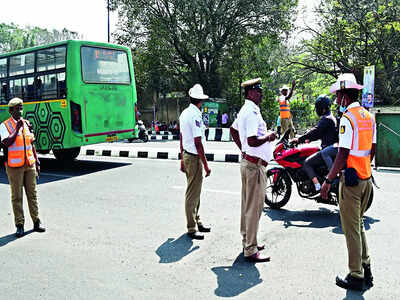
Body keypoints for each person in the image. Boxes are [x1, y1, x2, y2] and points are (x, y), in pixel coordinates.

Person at [321, 73, 376, 291]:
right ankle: (366, 268)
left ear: (344, 96)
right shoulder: (368, 116)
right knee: (358, 225)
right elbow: (371, 151)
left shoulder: (348, 118)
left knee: (351, 230)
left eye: (337, 97)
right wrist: (363, 168)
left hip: (351, 184)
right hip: (366, 180)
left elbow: (342, 154)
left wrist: (328, 181)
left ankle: (356, 276)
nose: (336, 101)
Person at [230, 78, 276, 262]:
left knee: (247, 206)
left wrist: (243, 149)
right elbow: (252, 140)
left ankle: (248, 240)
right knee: (254, 208)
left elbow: (233, 131)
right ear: (250, 93)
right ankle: (250, 248)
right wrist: (268, 137)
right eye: (258, 90)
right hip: (254, 166)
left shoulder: (247, 110)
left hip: (250, 163)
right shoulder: (250, 112)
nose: (261, 93)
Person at [0, 98, 45, 238]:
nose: (20, 111)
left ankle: (36, 222)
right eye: (17, 108)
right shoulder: (4, 125)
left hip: (29, 164)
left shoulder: (26, 124)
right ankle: (19, 225)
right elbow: (6, 142)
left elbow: (31, 144)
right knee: (17, 196)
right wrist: (17, 127)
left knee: (33, 194)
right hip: (14, 167)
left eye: (21, 108)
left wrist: (36, 161)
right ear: (10, 110)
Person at [179, 84, 211, 240]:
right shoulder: (195, 115)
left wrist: (181, 159)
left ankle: (197, 220)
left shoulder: (185, 113)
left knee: (195, 191)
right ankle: (191, 228)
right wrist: (205, 164)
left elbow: (181, 137)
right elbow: (198, 142)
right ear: (200, 101)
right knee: (192, 193)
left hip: (187, 155)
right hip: (194, 156)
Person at [290, 95, 338, 192]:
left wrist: (299, 139)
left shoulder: (326, 119)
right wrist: (307, 140)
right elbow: (319, 134)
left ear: (323, 108)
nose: (317, 110)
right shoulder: (330, 117)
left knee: (307, 163)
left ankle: (318, 187)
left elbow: (315, 131)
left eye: (318, 107)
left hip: (327, 149)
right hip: (330, 148)